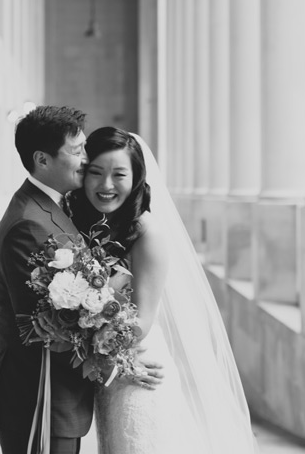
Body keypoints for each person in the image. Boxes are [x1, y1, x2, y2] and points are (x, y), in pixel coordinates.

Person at [68, 127, 259, 453]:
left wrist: (75, 331)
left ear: (137, 177)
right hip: (114, 373)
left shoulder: (147, 232)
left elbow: (140, 324)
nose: (106, 185)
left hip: (139, 374)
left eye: (119, 174)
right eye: (96, 173)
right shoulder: (88, 224)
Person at [0, 105, 93, 454]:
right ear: (42, 160)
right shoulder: (28, 224)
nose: (86, 160)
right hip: (35, 397)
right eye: (76, 152)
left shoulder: (52, 204)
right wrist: (117, 365)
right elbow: (44, 328)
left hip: (54, 397)